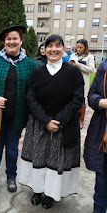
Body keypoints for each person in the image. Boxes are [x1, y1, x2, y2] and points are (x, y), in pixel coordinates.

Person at [18, 34, 84, 209]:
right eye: (50, 46)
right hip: (40, 123)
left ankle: (50, 194)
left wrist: (59, 121)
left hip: (64, 123)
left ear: (63, 49)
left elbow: (77, 99)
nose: (54, 49)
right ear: (44, 49)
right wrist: (46, 121)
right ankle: (38, 190)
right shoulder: (37, 72)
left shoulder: (73, 72)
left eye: (58, 45)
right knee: (38, 158)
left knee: (57, 161)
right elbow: (31, 98)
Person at [0, 25, 37, 192]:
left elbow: (34, 89)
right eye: (8, 39)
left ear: (21, 41)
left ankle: (12, 176)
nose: (11, 42)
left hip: (17, 116)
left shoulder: (30, 63)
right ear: (4, 41)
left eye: (15, 39)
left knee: (12, 148)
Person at [84, 59, 107, 213]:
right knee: (102, 175)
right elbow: (92, 94)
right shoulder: (104, 67)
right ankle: (98, 210)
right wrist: (101, 102)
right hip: (102, 130)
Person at [69, 39, 95, 128]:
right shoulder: (73, 55)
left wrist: (79, 65)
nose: (79, 49)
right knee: (72, 99)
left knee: (82, 101)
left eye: (81, 47)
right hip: (73, 81)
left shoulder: (89, 57)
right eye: (77, 47)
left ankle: (81, 120)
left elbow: (92, 69)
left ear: (85, 47)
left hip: (83, 82)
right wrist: (69, 64)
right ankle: (72, 119)